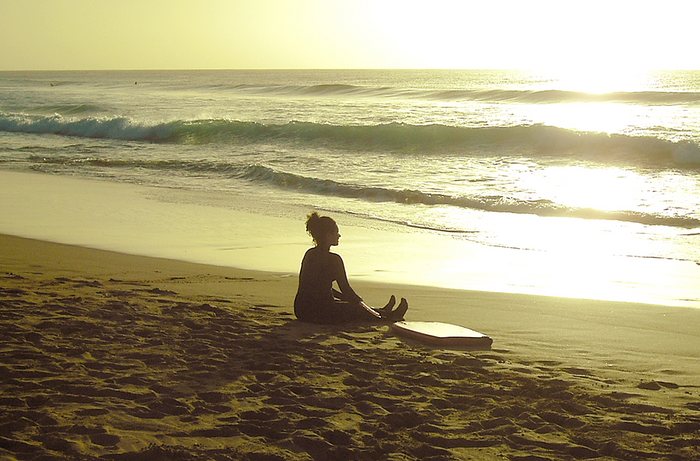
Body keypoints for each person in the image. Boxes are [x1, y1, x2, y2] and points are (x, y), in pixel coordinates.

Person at [294, 212, 408, 324]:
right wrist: (360, 302)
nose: (339, 235)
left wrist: (346, 298)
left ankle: (383, 311)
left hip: (301, 310)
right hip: (319, 313)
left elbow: (316, 286)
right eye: (336, 232)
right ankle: (385, 316)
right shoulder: (334, 260)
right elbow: (346, 290)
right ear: (328, 235)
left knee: (348, 304)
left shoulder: (309, 254)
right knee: (355, 307)